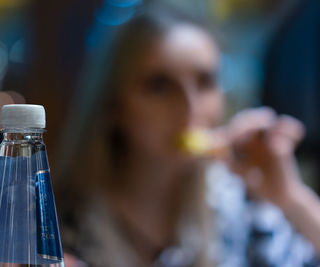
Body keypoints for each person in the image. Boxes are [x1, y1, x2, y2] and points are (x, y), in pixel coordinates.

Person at [56, 6, 320, 267]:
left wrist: (291, 197)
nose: (190, 109)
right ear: (114, 106)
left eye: (205, 82)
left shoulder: (240, 210)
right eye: (160, 86)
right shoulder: (57, 228)